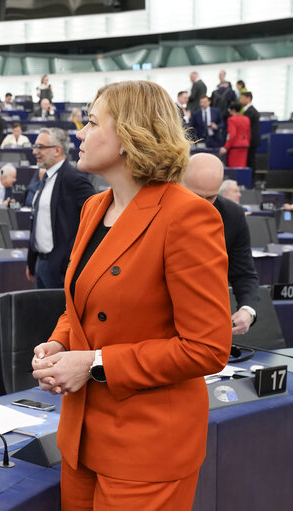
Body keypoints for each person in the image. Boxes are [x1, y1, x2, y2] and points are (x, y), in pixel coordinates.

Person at [31, 80, 231, 511]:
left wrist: (94, 364)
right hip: (81, 437)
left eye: (91, 121)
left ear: (129, 135)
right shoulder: (93, 208)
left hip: (147, 447)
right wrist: (59, 343)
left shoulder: (188, 216)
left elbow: (207, 348)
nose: (80, 133)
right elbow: (82, 304)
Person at [183, 153, 259, 335]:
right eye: (194, 196)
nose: (201, 205)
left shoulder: (233, 215)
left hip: (205, 322)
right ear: (178, 181)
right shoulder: (156, 206)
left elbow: (244, 274)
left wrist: (247, 310)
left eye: (210, 198)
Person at [27, 128, 96, 289]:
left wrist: (69, 259)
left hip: (61, 268)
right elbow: (37, 222)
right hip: (40, 264)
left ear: (57, 150)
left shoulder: (74, 179)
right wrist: (32, 263)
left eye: (40, 147)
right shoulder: (44, 178)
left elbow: (94, 218)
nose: (34, 151)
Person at [220, 101, 251, 167]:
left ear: (233, 110)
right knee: (242, 167)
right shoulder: (246, 119)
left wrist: (226, 147)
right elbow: (248, 134)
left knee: (234, 168)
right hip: (244, 146)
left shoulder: (231, 119)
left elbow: (232, 135)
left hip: (235, 147)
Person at [239, 91, 260, 171]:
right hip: (250, 140)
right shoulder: (247, 110)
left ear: (248, 98)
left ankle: (252, 181)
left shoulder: (251, 111)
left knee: (250, 160)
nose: (240, 100)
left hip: (251, 140)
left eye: (242, 98)